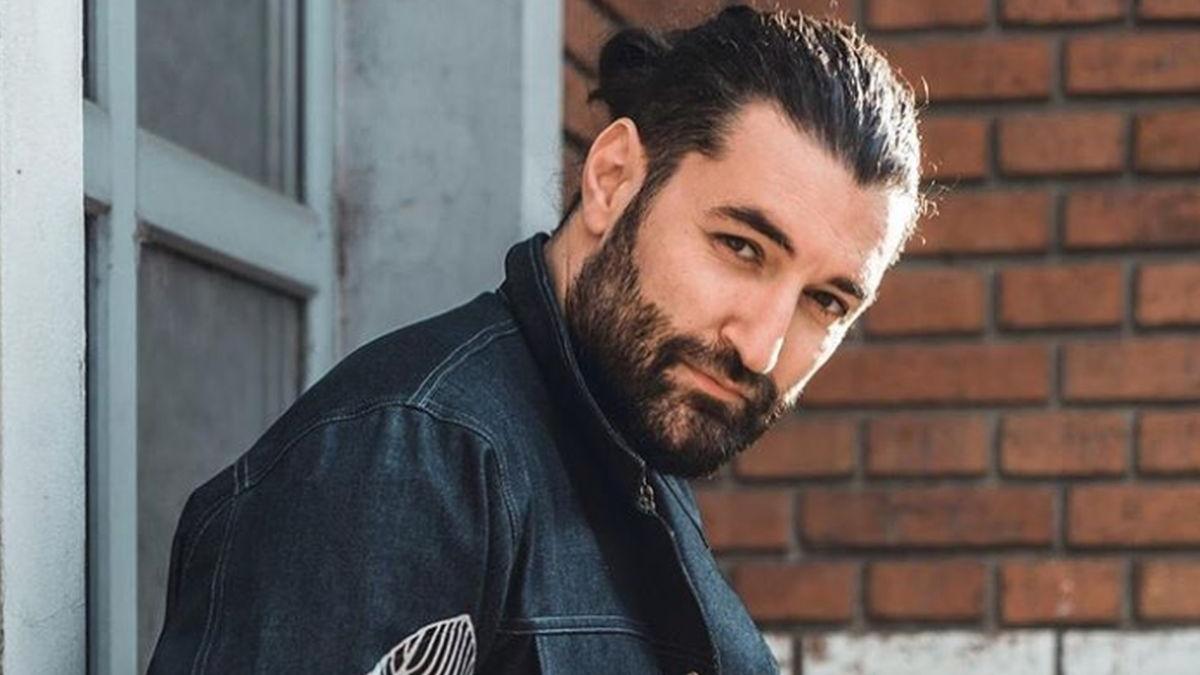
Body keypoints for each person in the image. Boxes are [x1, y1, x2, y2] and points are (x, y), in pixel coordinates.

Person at [147, 5, 922, 674]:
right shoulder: (408, 463)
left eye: (825, 300)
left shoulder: (635, 457)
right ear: (613, 178)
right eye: (740, 247)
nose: (761, 347)